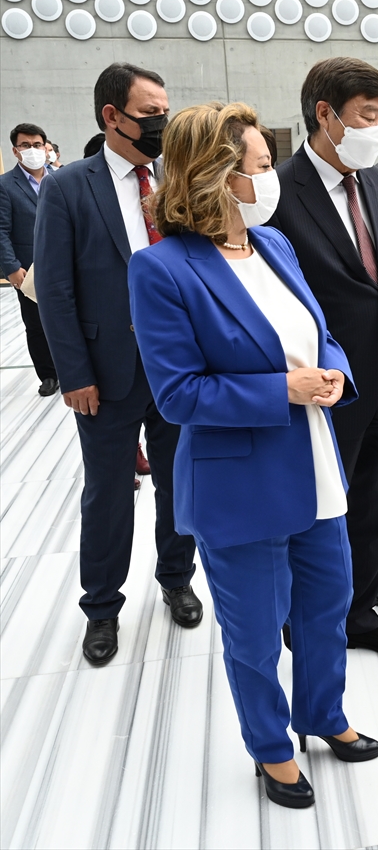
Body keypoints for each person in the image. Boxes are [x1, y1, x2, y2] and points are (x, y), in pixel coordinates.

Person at [128, 101, 378, 809]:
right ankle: (271, 746)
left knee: (328, 606)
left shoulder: (274, 246)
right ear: (213, 174)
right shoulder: (161, 270)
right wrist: (284, 389)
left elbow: (317, 331)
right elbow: (179, 394)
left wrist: (333, 371)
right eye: (262, 166)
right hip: (240, 483)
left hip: (314, 464)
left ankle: (324, 715)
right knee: (254, 630)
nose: (272, 177)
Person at [35, 62, 201, 666]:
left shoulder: (177, 180)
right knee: (108, 492)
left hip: (179, 366)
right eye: (150, 114)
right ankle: (101, 607)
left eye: (164, 110)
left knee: (181, 480)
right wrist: (74, 373)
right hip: (106, 372)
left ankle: (176, 578)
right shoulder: (67, 187)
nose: (162, 122)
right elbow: (54, 290)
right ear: (112, 116)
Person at [267, 56, 378, 656]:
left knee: (376, 508)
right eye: (368, 116)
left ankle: (357, 616)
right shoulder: (278, 191)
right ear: (326, 115)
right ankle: (304, 623)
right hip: (319, 387)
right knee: (313, 513)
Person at [1, 122, 58, 396]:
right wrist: (11, 268)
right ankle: (48, 375)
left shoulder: (62, 177)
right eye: (25, 145)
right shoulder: (4, 185)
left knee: (74, 318)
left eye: (37, 145)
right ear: (15, 151)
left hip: (66, 261)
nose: (32, 150)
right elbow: (1, 230)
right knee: (36, 324)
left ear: (46, 147)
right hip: (28, 267)